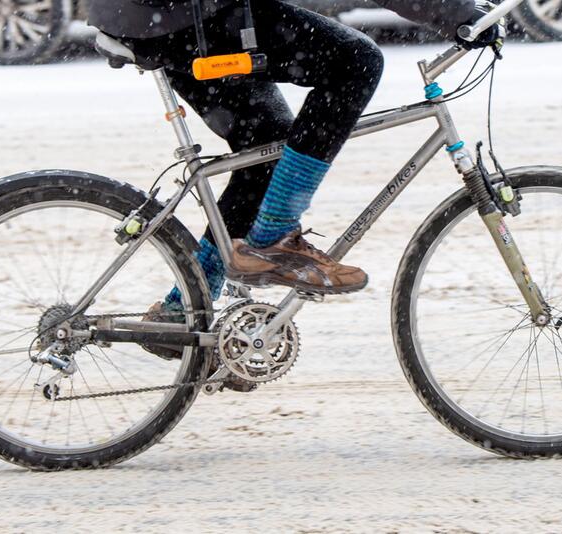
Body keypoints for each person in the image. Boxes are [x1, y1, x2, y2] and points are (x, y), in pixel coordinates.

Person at [87, 0, 500, 341]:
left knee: (267, 149)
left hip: (159, 16)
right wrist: (455, 14)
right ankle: (274, 239)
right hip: (182, 18)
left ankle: (180, 314)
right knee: (355, 62)